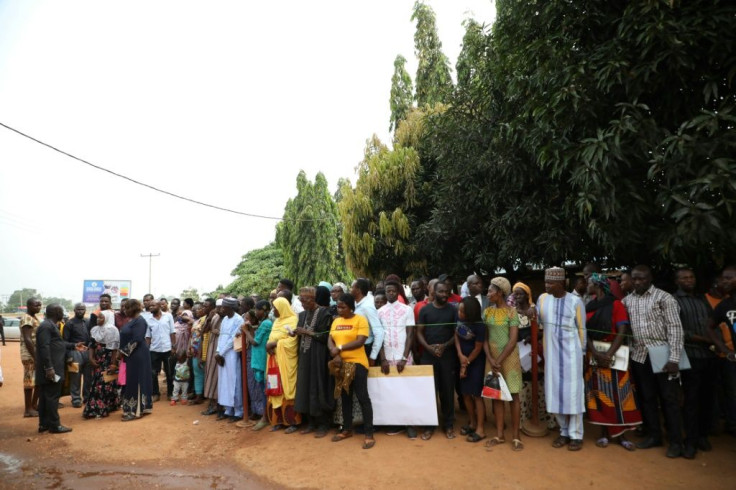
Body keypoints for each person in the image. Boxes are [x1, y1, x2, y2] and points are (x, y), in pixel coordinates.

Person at [623, 265, 684, 458]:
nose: (638, 282)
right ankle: (654, 435)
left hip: (663, 354)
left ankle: (676, 441)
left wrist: (674, 358)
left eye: (642, 278)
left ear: (650, 279)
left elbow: (675, 328)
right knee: (647, 398)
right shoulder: (627, 301)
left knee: (669, 399)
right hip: (639, 355)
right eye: (635, 279)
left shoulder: (664, 298)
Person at [584, 273, 641, 451]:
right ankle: (603, 433)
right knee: (600, 396)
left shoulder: (616, 304)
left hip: (614, 355)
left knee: (619, 395)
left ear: (598, 286)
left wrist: (608, 354)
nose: (587, 286)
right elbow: (585, 332)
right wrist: (595, 353)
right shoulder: (589, 306)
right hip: (594, 357)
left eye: (589, 283)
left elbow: (622, 329)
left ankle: (621, 435)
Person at [537, 267, 587, 451]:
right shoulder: (542, 300)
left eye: (550, 283)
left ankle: (576, 435)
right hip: (551, 355)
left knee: (573, 395)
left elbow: (582, 329)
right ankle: (563, 432)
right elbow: (537, 321)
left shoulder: (575, 301)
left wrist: (582, 355)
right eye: (546, 281)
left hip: (572, 357)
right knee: (555, 394)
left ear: (560, 283)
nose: (547, 285)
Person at [674, 267, 716, 458]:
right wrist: (706, 339)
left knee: (707, 399)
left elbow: (712, 323)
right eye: (684, 278)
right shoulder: (674, 301)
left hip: (709, 356)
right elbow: (679, 331)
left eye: (691, 277)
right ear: (677, 281)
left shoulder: (702, 299)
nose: (689, 280)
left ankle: (702, 436)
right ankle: (690, 441)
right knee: (690, 400)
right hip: (690, 356)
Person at [328, 293, 376, 449]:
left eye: (343, 307)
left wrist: (339, 348)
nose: (340, 310)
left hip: (357, 363)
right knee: (345, 397)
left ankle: (369, 434)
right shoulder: (336, 321)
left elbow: (360, 341)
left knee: (363, 397)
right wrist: (334, 353)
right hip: (340, 365)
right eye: (338, 307)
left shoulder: (360, 320)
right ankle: (347, 429)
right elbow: (330, 339)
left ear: (351, 307)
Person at [483, 277, 523, 451]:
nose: (488, 293)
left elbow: (513, 340)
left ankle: (516, 436)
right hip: (492, 359)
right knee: (497, 395)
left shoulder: (511, 312)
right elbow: (484, 338)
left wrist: (497, 360)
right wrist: (491, 359)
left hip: (509, 359)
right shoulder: (487, 313)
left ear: (500, 293)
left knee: (514, 396)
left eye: (491, 291)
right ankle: (499, 434)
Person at [417, 282, 459, 440]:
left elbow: (457, 333)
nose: (444, 294)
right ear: (433, 292)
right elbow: (419, 333)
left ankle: (448, 425)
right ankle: (429, 426)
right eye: (441, 291)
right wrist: (428, 348)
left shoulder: (453, 310)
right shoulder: (425, 310)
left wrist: (444, 346)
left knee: (447, 391)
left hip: (447, 356)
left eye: (447, 291)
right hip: (428, 356)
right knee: (429, 391)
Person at [36, 304, 86, 434]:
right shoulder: (46, 326)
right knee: (52, 397)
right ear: (57, 312)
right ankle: (54, 425)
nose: (63, 313)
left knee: (46, 397)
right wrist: (49, 368)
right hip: (50, 368)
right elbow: (44, 347)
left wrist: (74, 345)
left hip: (51, 367)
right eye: (61, 311)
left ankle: (44, 424)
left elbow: (58, 344)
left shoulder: (50, 325)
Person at [378, 280, 417, 439]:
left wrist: (403, 357)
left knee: (407, 391)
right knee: (391, 392)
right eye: (388, 291)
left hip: (403, 357)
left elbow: (410, 335)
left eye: (393, 291)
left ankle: (410, 424)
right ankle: (396, 423)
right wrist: (382, 359)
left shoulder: (407, 310)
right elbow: (379, 337)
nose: (390, 294)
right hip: (387, 357)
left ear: (398, 292)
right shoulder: (380, 312)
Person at [294, 286, 334, 437]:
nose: (302, 304)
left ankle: (323, 424)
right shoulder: (302, 314)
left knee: (318, 387)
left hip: (319, 356)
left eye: (304, 301)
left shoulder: (325, 313)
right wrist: (295, 333)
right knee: (305, 387)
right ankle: (311, 423)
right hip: (305, 355)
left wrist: (306, 332)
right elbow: (302, 333)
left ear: (312, 300)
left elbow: (325, 337)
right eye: (301, 301)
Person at [513, 282, 552, 429]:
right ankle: (524, 420)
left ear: (527, 295)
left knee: (538, 383)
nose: (517, 297)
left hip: (534, 352)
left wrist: (533, 336)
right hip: (519, 352)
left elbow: (543, 330)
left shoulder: (535, 310)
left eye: (520, 294)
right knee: (523, 384)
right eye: (515, 294)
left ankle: (542, 417)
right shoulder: (512, 312)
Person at [709, 265, 736, 437]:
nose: (724, 282)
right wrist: (724, 349)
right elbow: (709, 327)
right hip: (733, 359)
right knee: (732, 395)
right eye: (723, 278)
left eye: (729, 278)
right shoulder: (725, 305)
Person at [266, 297, 301, 430]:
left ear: (282, 308)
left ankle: (292, 422)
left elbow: (292, 342)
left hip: (286, 361)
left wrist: (274, 344)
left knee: (288, 388)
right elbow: (272, 337)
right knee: (275, 387)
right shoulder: (276, 322)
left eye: (275, 308)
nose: (273, 310)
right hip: (274, 360)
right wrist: (269, 345)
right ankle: (278, 421)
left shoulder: (293, 320)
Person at [455, 296, 487, 443]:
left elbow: (478, 347)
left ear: (471, 312)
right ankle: (472, 422)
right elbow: (456, 337)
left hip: (475, 362)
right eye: (459, 310)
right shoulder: (459, 320)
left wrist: (466, 362)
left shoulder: (480, 326)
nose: (459, 313)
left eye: (463, 311)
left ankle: (480, 429)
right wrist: (460, 356)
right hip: (462, 359)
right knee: (465, 393)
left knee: (477, 395)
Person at [119, 299, 153, 421]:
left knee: (136, 381)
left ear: (133, 308)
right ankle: (132, 407)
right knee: (131, 380)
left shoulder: (140, 321)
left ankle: (135, 411)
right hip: (131, 355)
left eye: (126, 308)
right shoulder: (133, 320)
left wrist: (122, 352)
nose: (124, 310)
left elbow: (137, 339)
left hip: (138, 355)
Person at [83, 310, 120, 419]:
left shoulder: (113, 330)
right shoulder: (95, 330)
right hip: (97, 360)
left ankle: (101, 408)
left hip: (108, 360)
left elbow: (114, 349)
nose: (98, 320)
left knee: (104, 383)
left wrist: (113, 364)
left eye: (101, 318)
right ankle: (102, 406)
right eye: (98, 318)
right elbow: (92, 345)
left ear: (107, 318)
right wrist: (91, 358)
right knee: (99, 382)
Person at [215, 297, 244, 422]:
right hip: (222, 354)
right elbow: (221, 337)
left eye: (223, 307)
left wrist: (221, 353)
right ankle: (228, 409)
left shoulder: (238, 319)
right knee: (224, 382)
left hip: (231, 353)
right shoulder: (225, 319)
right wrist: (217, 352)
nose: (221, 309)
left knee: (233, 382)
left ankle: (238, 411)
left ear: (230, 307)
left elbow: (233, 339)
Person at [145, 298, 175, 402]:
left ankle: (170, 393)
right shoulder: (148, 319)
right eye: (150, 306)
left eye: (153, 306)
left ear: (159, 306)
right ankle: (155, 394)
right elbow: (148, 336)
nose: (150, 307)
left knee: (169, 372)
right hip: (154, 350)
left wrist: (173, 346)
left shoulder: (168, 316)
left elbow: (172, 332)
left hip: (167, 349)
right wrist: (147, 349)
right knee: (153, 373)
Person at [250, 300, 273, 431]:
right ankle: (266, 416)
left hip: (262, 360)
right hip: (260, 359)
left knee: (265, 390)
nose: (256, 312)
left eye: (257, 310)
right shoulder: (264, 323)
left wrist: (246, 331)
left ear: (263, 310)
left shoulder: (266, 323)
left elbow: (255, 341)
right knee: (263, 390)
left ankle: (265, 417)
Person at [350, 278, 384, 365]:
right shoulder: (354, 304)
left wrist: (373, 356)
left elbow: (379, 332)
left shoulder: (367, 306)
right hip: (355, 347)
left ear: (358, 290)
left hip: (366, 348)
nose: (350, 290)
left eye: (352, 287)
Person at [63, 303, 91, 408]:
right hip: (74, 353)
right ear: (74, 310)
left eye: (82, 309)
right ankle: (76, 399)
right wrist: (75, 345)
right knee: (75, 377)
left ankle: (87, 397)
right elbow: (64, 342)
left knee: (89, 377)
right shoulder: (69, 324)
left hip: (88, 352)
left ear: (85, 310)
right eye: (78, 309)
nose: (80, 311)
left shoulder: (88, 322)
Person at [20, 297, 42, 418]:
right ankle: (28, 409)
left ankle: (34, 405)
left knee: (37, 380)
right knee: (29, 381)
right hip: (29, 353)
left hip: (36, 353)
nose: (38, 307)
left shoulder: (35, 317)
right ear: (28, 306)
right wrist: (35, 356)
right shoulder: (27, 318)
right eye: (35, 305)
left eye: (39, 305)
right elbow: (27, 339)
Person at [201, 298, 222, 416]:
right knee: (210, 374)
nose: (204, 308)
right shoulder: (213, 317)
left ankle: (217, 405)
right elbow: (204, 331)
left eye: (206, 306)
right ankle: (212, 403)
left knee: (216, 377)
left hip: (219, 350)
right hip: (211, 348)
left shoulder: (224, 318)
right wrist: (208, 319)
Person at [188, 303, 206, 405]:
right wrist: (188, 348)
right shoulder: (196, 322)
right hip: (194, 350)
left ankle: (201, 395)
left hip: (202, 350)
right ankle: (198, 394)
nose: (195, 311)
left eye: (197, 309)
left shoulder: (205, 321)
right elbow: (191, 336)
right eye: (193, 310)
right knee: (197, 373)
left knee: (201, 372)